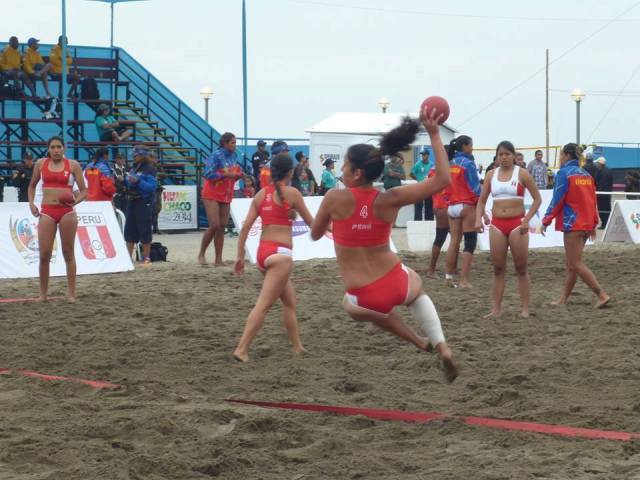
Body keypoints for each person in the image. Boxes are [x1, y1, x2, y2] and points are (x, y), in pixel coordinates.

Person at [310, 109, 458, 383]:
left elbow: (316, 235)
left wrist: (336, 227)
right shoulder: (389, 198)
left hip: (363, 294)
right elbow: (443, 180)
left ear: (356, 173)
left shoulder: (333, 198)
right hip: (395, 282)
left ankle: (417, 341)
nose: (341, 169)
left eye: (344, 165)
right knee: (417, 294)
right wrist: (435, 134)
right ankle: (442, 346)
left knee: (353, 305)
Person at [233, 153, 315, 362]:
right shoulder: (292, 193)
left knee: (290, 301)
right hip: (280, 255)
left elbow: (245, 228)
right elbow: (313, 224)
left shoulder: (261, 195)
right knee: (264, 305)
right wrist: (335, 229)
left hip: (263, 254)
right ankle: (241, 349)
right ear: (290, 172)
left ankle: (297, 347)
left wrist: (240, 257)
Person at [475, 141, 542, 318]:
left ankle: (525, 308)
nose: (503, 158)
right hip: (497, 224)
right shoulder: (491, 175)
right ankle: (496, 309)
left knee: (521, 267)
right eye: (500, 155)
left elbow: (537, 199)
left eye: (507, 154)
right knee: (498, 268)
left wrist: (527, 220)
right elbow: (481, 200)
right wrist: (479, 218)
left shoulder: (523, 174)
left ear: (513, 155)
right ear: (496, 157)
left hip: (517, 224)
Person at [541, 143, 610, 309]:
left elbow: (557, 200)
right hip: (586, 224)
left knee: (575, 263)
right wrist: (593, 223)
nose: (559, 158)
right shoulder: (586, 175)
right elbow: (592, 201)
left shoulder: (564, 174)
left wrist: (545, 220)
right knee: (572, 263)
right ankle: (563, 299)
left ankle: (601, 294)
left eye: (561, 155)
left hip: (572, 224)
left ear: (566, 155)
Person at [28, 136, 87, 301]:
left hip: (66, 212)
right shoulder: (40, 164)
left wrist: (74, 201)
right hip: (47, 211)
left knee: (68, 253)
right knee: (44, 254)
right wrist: (31, 203)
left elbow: (84, 191)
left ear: (64, 148)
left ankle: (71, 293)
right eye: (53, 147)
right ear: (48, 149)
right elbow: (32, 185)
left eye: (59, 147)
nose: (56, 150)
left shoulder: (73, 165)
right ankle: (43, 294)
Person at [198, 132, 243, 266]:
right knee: (214, 224)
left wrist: (237, 175)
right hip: (212, 192)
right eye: (233, 142)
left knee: (222, 226)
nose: (235, 145)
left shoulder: (234, 156)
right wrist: (227, 175)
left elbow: (233, 173)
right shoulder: (216, 155)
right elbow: (208, 174)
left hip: (226, 193)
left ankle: (218, 259)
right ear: (224, 143)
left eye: (235, 142)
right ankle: (201, 254)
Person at [444, 135, 480, 288]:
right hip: (465, 205)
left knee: (454, 242)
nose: (472, 148)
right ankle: (464, 280)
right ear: (465, 146)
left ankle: (448, 277)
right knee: (470, 242)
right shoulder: (468, 163)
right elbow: (475, 188)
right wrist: (480, 208)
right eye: (471, 145)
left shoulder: (449, 162)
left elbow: (444, 186)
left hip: (451, 206)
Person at [123, 145, 158, 264]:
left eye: (136, 154)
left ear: (142, 155)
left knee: (144, 229)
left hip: (144, 202)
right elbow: (130, 184)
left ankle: (146, 258)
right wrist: (126, 181)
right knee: (129, 229)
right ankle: (128, 258)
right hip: (132, 200)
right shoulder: (133, 167)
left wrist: (138, 181)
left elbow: (152, 187)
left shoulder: (149, 169)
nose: (133, 156)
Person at [425, 161, 450, 278]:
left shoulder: (433, 169)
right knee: (445, 237)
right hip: (444, 203)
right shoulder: (448, 168)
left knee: (442, 236)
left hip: (438, 203)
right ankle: (433, 270)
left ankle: (433, 269)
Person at [410, 147, 434, 220]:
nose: (423, 156)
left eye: (424, 155)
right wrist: (418, 179)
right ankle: (417, 221)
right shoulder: (418, 164)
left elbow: (434, 173)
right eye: (422, 155)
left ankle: (429, 220)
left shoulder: (431, 164)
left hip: (429, 187)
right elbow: (411, 173)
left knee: (429, 205)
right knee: (418, 205)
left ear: (428, 155)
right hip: (420, 186)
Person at [595, 157, 613, 229]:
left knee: (601, 209)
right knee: (608, 208)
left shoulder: (599, 171)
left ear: (600, 164)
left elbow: (596, 181)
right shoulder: (609, 171)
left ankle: (604, 224)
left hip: (601, 193)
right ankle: (608, 223)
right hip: (608, 193)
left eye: (597, 163)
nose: (596, 164)